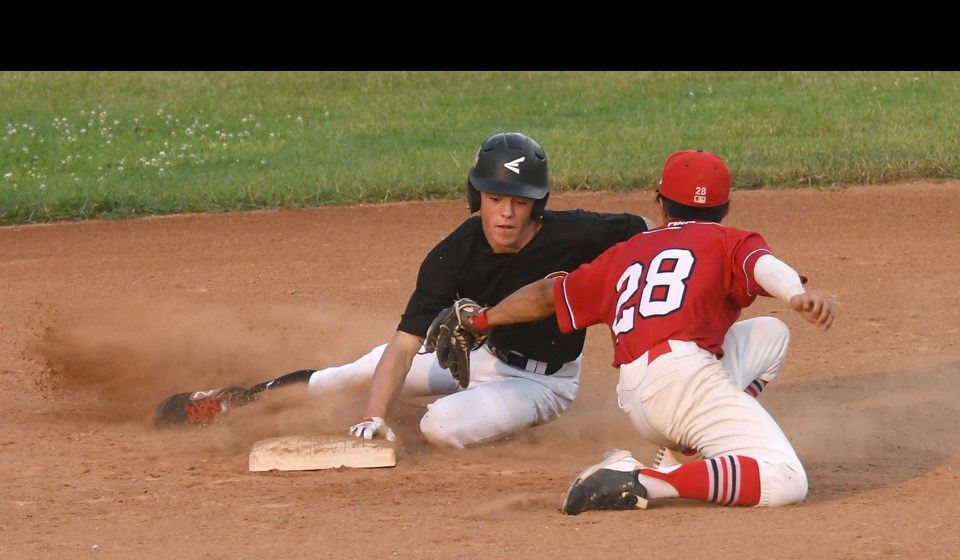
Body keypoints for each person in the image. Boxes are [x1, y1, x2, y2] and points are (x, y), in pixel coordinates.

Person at [152, 135, 792, 451]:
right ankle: (239, 398)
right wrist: (375, 417)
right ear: (475, 199)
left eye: (519, 202)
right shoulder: (453, 254)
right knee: (353, 374)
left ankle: (489, 416)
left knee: (439, 428)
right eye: (494, 200)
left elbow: (665, 240)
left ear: (538, 205)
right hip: (474, 356)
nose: (506, 214)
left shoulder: (589, 235)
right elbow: (403, 347)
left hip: (541, 382)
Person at [471, 149, 835, 511]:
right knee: (785, 479)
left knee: (772, 335)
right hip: (686, 382)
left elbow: (548, 294)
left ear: (661, 204)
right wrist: (795, 294)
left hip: (640, 391)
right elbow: (762, 265)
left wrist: (482, 319)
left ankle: (686, 449)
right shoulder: (729, 239)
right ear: (725, 209)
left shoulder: (627, 250)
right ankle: (643, 480)